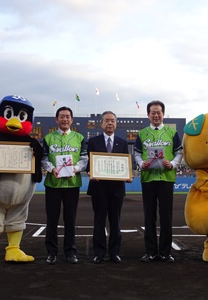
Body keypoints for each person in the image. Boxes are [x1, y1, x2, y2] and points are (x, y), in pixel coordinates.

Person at [134, 100, 183, 263]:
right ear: (148, 115)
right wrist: (141, 164)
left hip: (166, 178)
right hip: (148, 179)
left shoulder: (172, 132)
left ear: (163, 114)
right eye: (153, 112)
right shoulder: (142, 134)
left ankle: (165, 252)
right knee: (149, 216)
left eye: (159, 112)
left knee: (166, 217)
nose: (156, 115)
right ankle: (150, 252)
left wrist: (173, 164)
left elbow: (178, 153)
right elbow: (137, 154)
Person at [42, 106, 88, 264]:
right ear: (57, 119)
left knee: (70, 220)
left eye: (68, 116)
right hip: (53, 184)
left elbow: (84, 159)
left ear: (72, 119)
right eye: (62, 116)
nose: (65, 119)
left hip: (72, 184)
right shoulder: (48, 138)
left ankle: (70, 252)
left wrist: (75, 169)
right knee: (52, 220)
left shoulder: (80, 138)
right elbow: (44, 159)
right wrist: (51, 168)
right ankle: (51, 252)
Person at [86, 111, 131, 264]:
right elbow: (88, 164)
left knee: (115, 223)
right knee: (99, 222)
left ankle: (114, 253)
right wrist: (90, 171)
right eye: (107, 121)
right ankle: (99, 253)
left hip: (116, 190)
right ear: (102, 124)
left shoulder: (122, 143)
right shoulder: (93, 142)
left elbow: (125, 165)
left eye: (112, 120)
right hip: (99, 189)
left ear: (116, 124)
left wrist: (128, 174)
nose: (110, 123)